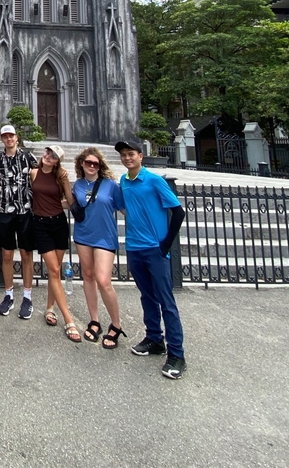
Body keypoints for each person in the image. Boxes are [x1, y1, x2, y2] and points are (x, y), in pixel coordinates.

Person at [115, 137, 187, 380]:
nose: (127, 158)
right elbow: (126, 207)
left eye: (131, 153)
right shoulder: (124, 181)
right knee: (147, 296)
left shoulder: (155, 181)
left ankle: (177, 354)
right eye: (123, 154)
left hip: (154, 249)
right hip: (134, 247)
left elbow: (178, 212)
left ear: (140, 155)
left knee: (166, 300)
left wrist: (165, 244)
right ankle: (155, 338)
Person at [72, 147, 125, 348]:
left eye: (96, 163)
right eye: (88, 163)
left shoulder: (111, 185)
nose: (92, 166)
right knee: (88, 276)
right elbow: (71, 204)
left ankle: (116, 324)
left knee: (103, 280)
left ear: (100, 165)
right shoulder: (77, 185)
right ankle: (94, 320)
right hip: (83, 235)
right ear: (82, 164)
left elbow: (124, 208)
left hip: (104, 237)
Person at [31, 145, 81, 342]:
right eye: (47, 153)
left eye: (52, 156)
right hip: (40, 225)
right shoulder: (33, 173)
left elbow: (69, 202)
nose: (48, 157)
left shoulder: (61, 176)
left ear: (57, 161)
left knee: (56, 270)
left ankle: (50, 308)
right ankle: (69, 320)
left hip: (59, 223)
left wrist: (67, 182)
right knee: (53, 270)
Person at [0, 124, 38, 319]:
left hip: (25, 210)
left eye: (11, 136)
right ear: (2, 139)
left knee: (26, 253)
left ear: (17, 137)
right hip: (5, 210)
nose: (9, 139)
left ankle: (27, 296)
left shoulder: (28, 157)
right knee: (6, 254)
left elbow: (37, 179)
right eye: (5, 137)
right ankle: (8, 294)